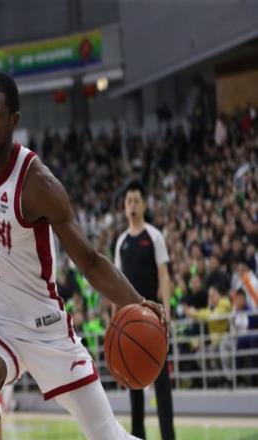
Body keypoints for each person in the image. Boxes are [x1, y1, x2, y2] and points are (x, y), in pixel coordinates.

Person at [0, 72, 165, 440]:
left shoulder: (38, 184)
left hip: (45, 328)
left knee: (107, 434)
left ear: (14, 120)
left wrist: (137, 302)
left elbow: (89, 261)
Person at [114, 180, 175, 440]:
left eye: (136, 201)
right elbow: (116, 282)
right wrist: (115, 319)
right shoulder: (121, 242)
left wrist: (166, 313)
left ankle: (168, 436)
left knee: (162, 386)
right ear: (124, 206)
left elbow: (164, 276)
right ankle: (138, 436)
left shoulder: (154, 236)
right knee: (133, 384)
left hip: (153, 320)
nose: (132, 205)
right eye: (128, 201)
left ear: (144, 204)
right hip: (129, 323)